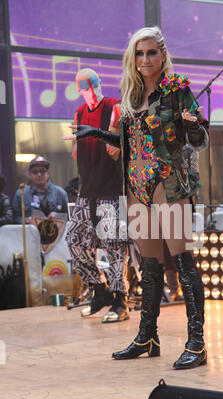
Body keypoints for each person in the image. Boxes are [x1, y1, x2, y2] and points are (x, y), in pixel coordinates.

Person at [63, 27, 209, 370]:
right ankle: (147, 337)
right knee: (150, 266)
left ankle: (197, 343)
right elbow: (126, 144)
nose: (145, 60)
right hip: (137, 186)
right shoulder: (129, 95)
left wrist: (191, 125)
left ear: (162, 55)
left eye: (151, 53)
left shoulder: (177, 90)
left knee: (183, 262)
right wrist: (96, 132)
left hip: (169, 183)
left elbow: (200, 138)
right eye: (139, 53)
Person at [65, 68, 129, 322]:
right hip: (87, 190)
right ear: (80, 91)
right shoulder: (79, 113)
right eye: (86, 87)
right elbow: (75, 152)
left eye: (94, 85)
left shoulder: (115, 106)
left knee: (114, 245)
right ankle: (98, 290)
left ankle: (120, 300)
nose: (92, 91)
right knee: (74, 239)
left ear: (99, 84)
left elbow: (118, 148)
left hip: (112, 189)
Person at [12, 156, 68, 224]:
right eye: (35, 172)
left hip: (55, 232)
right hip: (30, 233)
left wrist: (58, 216)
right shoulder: (21, 194)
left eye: (42, 171)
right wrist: (27, 220)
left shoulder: (61, 193)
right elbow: (14, 218)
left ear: (48, 173)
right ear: (30, 174)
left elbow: (68, 217)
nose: (39, 174)